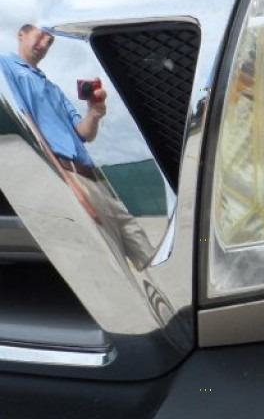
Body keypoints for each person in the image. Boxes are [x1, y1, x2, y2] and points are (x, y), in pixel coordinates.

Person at [0, 24, 155, 272]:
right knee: (110, 256)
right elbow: (26, 124)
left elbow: (84, 134)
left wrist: (93, 113)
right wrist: (69, 185)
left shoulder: (53, 88)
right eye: (40, 36)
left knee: (139, 242)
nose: (44, 45)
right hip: (66, 174)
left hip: (90, 176)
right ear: (21, 34)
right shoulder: (7, 68)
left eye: (49, 42)